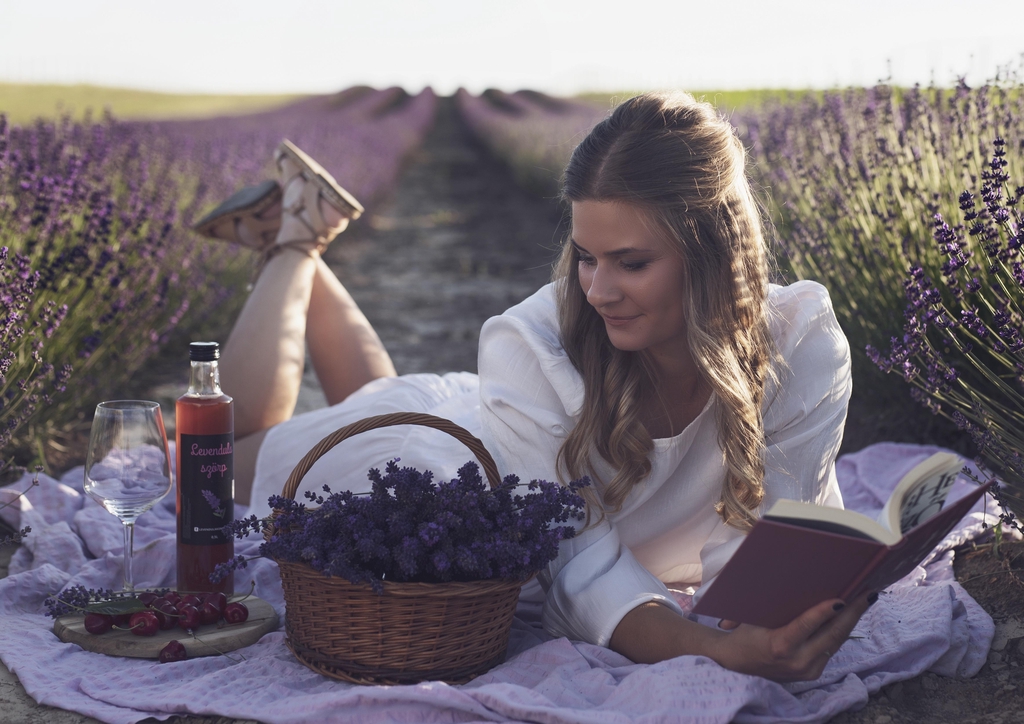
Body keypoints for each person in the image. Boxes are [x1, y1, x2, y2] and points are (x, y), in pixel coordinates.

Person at [194, 92, 875, 682]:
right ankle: (292, 245)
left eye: (631, 263)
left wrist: (768, 628)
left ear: (715, 255)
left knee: (383, 395)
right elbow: (583, 576)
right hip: (441, 476)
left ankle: (305, 237)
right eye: (585, 257)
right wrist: (710, 648)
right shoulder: (533, 344)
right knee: (208, 458)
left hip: (488, 421)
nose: (600, 291)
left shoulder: (801, 337)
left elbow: (766, 546)